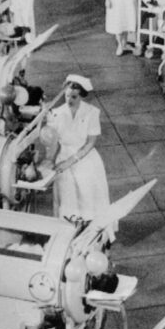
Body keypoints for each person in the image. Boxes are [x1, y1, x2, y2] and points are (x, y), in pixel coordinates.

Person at [46, 75, 110, 225]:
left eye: (74, 96)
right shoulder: (56, 113)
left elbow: (90, 143)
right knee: (67, 198)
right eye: (67, 96)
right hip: (63, 159)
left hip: (86, 159)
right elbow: (53, 142)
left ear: (81, 96)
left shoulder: (92, 112)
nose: (69, 100)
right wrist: (49, 160)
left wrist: (70, 161)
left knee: (87, 196)